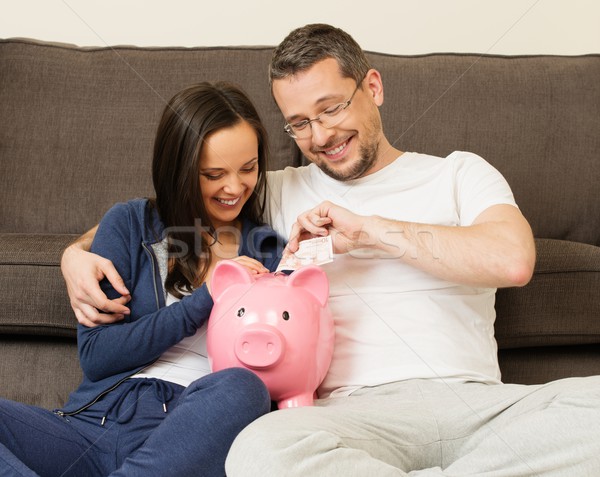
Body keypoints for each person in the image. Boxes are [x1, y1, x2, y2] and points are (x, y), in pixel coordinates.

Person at [60, 24, 600, 476]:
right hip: (347, 421)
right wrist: (76, 253)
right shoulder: (274, 189)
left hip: (480, 406)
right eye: (299, 123)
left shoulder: (459, 173)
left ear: (373, 87)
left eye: (331, 108)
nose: (320, 135)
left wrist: (368, 231)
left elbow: (512, 259)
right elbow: (174, 205)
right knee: (259, 453)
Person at [0, 81, 284, 477]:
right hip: (86, 427)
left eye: (249, 169)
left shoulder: (269, 251)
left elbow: (283, 367)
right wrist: (203, 298)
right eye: (213, 174)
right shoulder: (131, 223)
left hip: (180, 439)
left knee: (244, 387)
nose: (235, 188)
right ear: (179, 171)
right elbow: (98, 356)